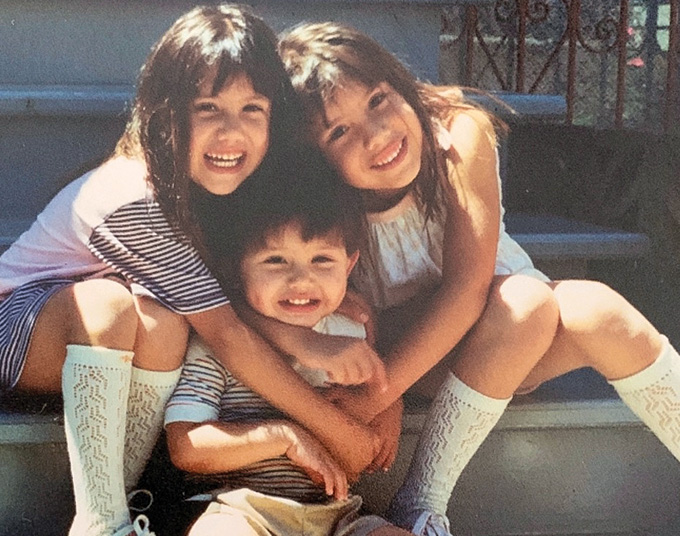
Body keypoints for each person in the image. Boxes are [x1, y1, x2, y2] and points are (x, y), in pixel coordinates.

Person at [0, 7, 383, 536]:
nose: (231, 132)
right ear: (164, 113)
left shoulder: (221, 187)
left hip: (117, 351)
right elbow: (224, 331)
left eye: (253, 109)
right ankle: (100, 523)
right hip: (8, 337)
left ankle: (128, 502)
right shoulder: (133, 193)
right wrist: (331, 412)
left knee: (163, 319)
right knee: (114, 306)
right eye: (208, 109)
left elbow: (218, 302)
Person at [279, 22, 680, 536]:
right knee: (530, 303)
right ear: (316, 160)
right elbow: (350, 315)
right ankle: (421, 503)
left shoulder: (459, 133)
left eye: (379, 100)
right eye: (338, 131)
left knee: (592, 309)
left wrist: (379, 398)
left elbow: (469, 286)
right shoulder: (323, 202)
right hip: (401, 358)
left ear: (401, 84)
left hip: (502, 334)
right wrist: (384, 387)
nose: (375, 134)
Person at [164, 163, 407, 536]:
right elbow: (186, 446)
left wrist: (389, 402)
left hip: (335, 515)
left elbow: (365, 441)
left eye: (322, 260)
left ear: (350, 265)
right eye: (275, 260)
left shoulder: (350, 337)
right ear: (237, 269)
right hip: (240, 509)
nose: (300, 280)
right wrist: (280, 436)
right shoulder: (220, 346)